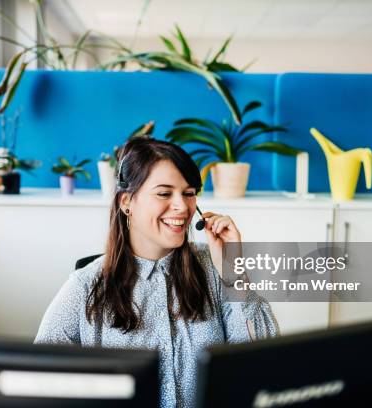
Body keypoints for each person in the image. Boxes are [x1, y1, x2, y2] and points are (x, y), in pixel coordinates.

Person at [34, 137, 279, 408]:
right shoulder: (85, 287)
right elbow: (41, 383)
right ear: (127, 201)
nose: (182, 207)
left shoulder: (214, 267)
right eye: (164, 193)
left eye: (189, 193)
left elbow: (263, 364)